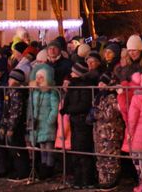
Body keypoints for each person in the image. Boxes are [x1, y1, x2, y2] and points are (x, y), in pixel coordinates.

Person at [62, 61, 98, 189]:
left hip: (82, 121)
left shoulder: (84, 86)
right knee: (76, 151)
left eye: (73, 72)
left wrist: (68, 109)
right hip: (75, 121)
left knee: (83, 152)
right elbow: (68, 102)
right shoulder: (73, 85)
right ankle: (78, 180)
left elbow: (83, 105)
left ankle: (87, 179)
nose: (71, 74)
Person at [28, 63, 60, 180]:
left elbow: (55, 107)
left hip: (47, 123)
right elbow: (31, 107)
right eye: (37, 77)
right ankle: (43, 168)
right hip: (38, 123)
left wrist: (51, 120)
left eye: (41, 77)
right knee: (42, 148)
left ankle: (49, 168)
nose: (39, 80)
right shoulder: (35, 92)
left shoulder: (51, 92)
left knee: (49, 148)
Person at [1, 68, 31, 182]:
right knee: (13, 149)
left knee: (18, 149)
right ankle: (17, 170)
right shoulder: (10, 91)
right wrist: (4, 125)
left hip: (16, 126)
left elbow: (15, 112)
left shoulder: (17, 93)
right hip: (10, 124)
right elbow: (6, 110)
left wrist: (11, 127)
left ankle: (23, 172)